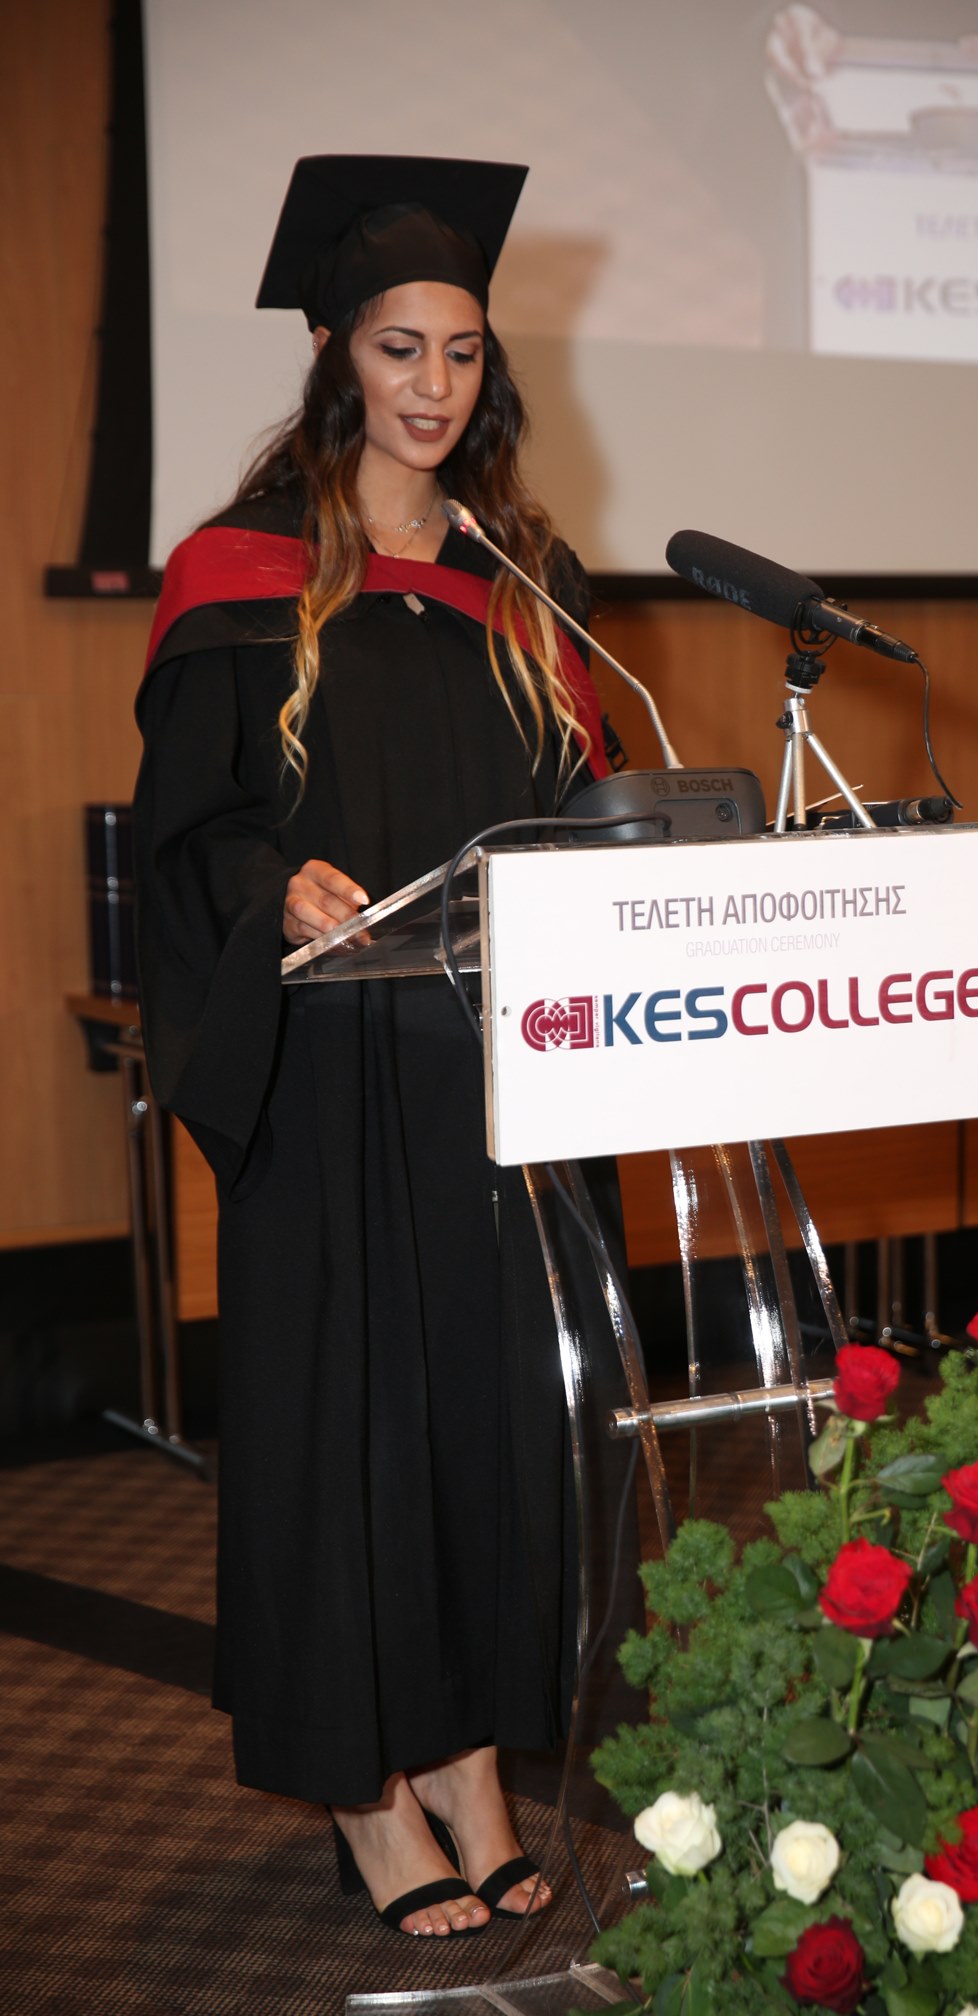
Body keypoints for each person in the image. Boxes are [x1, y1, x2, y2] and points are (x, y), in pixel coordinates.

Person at [134, 156, 615, 1939]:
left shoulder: (523, 575)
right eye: (401, 348)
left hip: (494, 1070)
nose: (435, 385)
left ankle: (473, 1760)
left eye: (464, 353)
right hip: (328, 1074)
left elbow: (588, 808)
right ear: (336, 352)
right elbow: (186, 831)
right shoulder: (239, 576)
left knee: (492, 1422)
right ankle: (365, 1785)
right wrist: (276, 884)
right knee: (350, 1427)